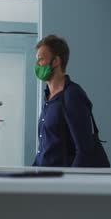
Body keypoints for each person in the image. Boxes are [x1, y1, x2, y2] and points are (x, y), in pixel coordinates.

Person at [32, 34, 97, 167]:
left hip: (61, 183)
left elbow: (84, 150)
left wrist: (70, 184)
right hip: (43, 179)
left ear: (56, 61)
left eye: (41, 59)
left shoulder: (72, 95)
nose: (37, 64)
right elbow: (45, 149)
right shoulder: (48, 98)